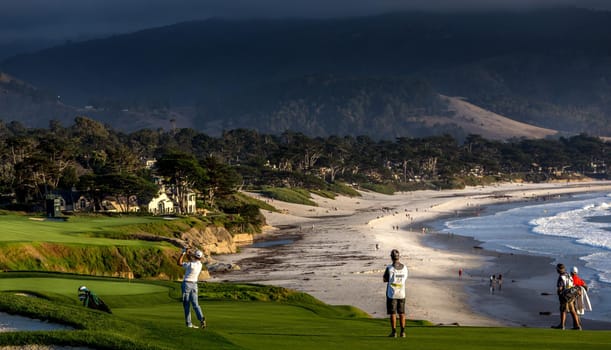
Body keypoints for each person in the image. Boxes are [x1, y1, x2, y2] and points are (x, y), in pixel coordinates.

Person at [178, 247, 206, 329]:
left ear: (195, 256)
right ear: (200, 257)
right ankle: (201, 318)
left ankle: (189, 324)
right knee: (195, 304)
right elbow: (191, 259)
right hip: (194, 285)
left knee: (186, 304)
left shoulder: (190, 264)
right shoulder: (200, 265)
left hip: (186, 284)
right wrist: (187, 252)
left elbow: (179, 263)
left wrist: (183, 253)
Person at [383, 249, 409, 338]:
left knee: (393, 313)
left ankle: (394, 332)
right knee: (402, 313)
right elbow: (405, 278)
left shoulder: (389, 268)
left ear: (391, 257)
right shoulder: (405, 267)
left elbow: (384, 279)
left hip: (392, 293)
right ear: (398, 257)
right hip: (402, 293)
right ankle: (403, 332)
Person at [552, 263, 581, 330]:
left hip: (564, 295)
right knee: (572, 310)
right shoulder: (568, 275)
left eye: (557, 269)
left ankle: (562, 325)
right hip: (571, 294)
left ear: (559, 269)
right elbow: (573, 284)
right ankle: (577, 326)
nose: (556, 270)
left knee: (563, 310)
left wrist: (558, 292)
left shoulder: (561, 277)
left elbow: (560, 287)